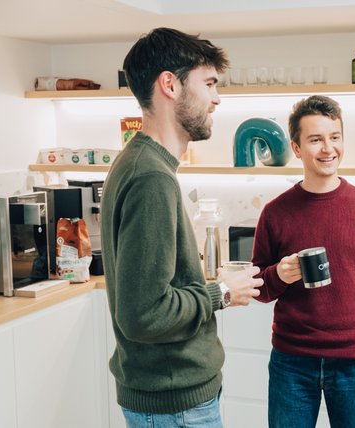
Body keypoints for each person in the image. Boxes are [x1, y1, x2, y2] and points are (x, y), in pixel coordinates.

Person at [100, 27, 263, 428]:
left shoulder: (142, 163)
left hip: (170, 397)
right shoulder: (150, 177)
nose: (216, 98)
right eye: (209, 83)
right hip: (173, 404)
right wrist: (222, 292)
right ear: (170, 85)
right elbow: (144, 315)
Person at [251, 95, 355, 428]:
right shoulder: (275, 212)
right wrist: (280, 275)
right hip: (292, 361)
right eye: (316, 139)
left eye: (335, 137)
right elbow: (260, 288)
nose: (328, 148)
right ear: (296, 147)